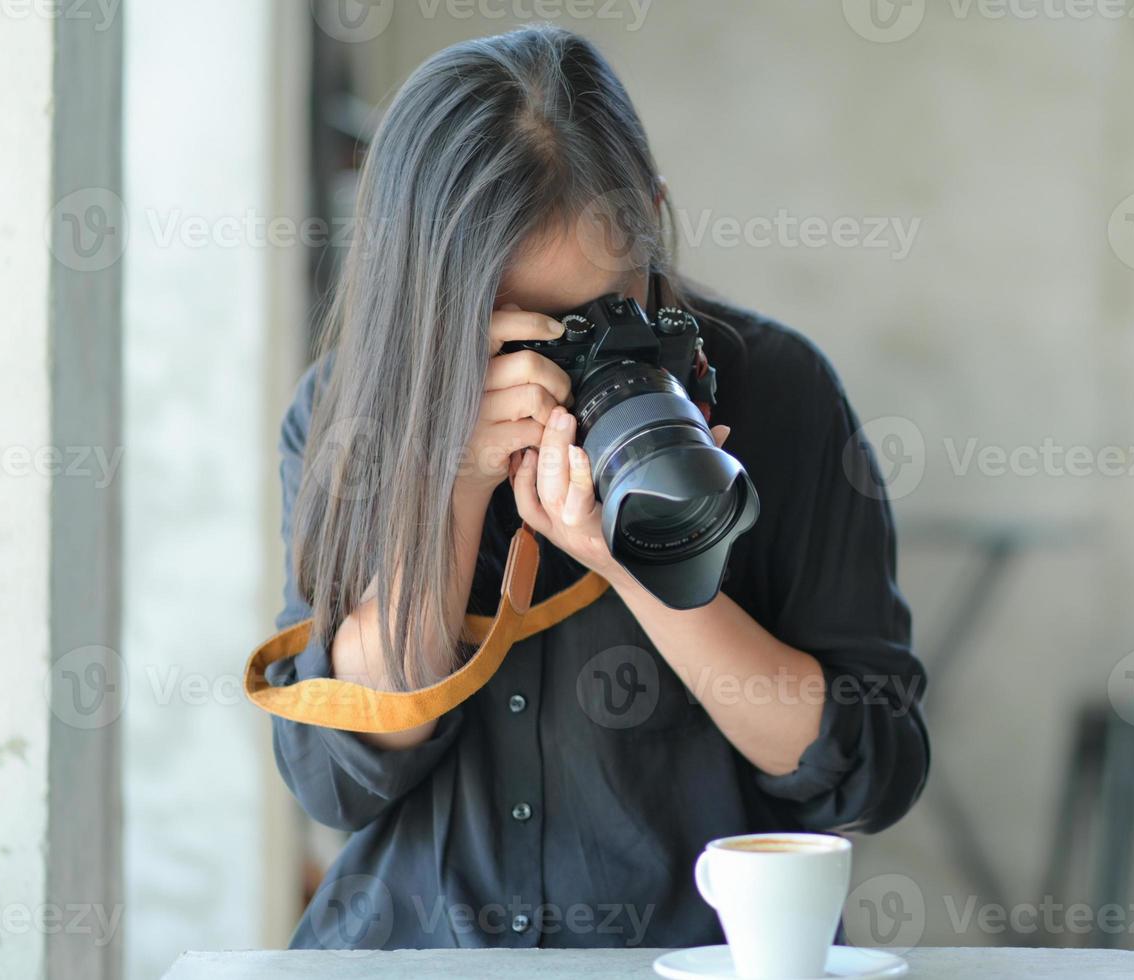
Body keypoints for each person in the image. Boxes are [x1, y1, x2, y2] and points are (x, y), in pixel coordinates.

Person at [264, 24, 929, 949]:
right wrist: (451, 490)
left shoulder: (779, 392)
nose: (559, 364)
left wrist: (643, 561)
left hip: (698, 959)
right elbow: (337, 778)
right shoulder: (353, 410)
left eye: (595, 316)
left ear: (649, 221)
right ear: (420, 293)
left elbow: (869, 773)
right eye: (504, 326)